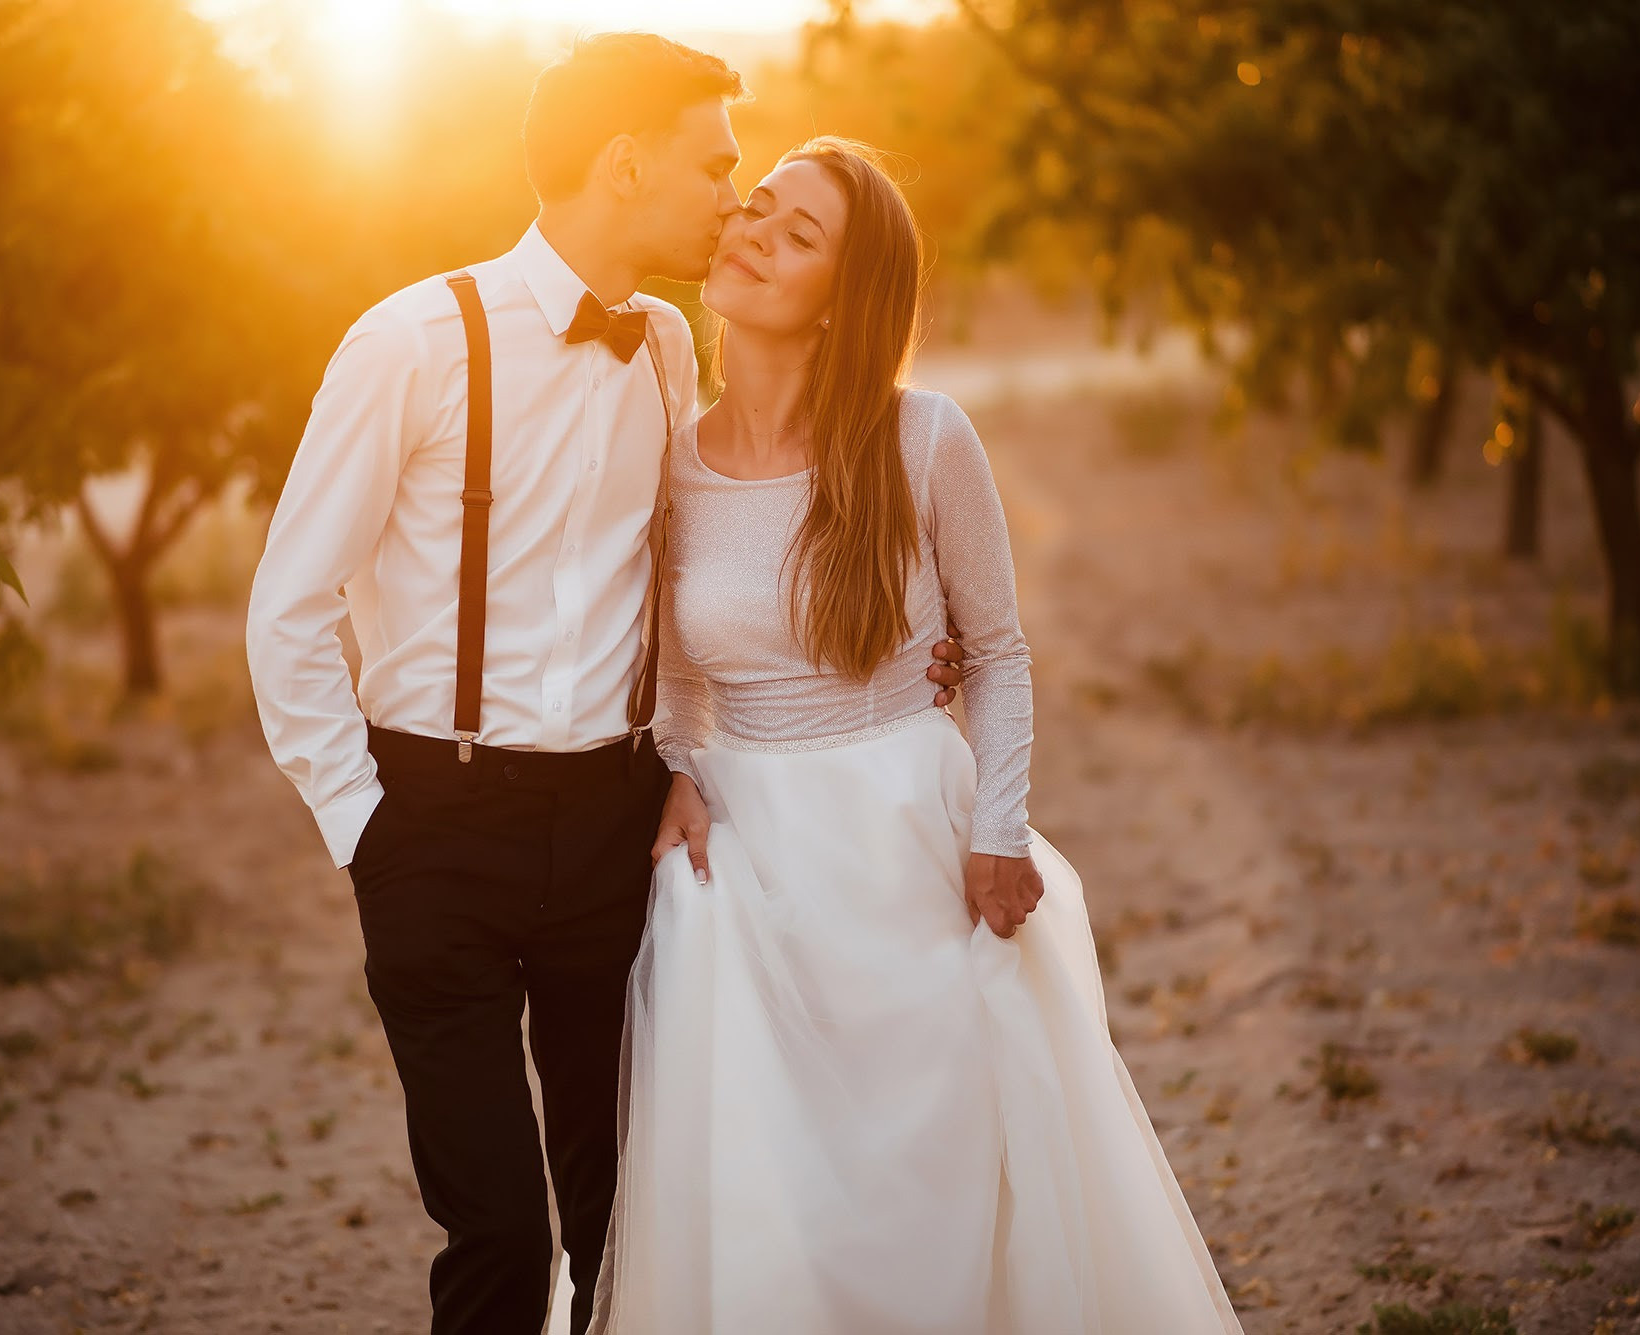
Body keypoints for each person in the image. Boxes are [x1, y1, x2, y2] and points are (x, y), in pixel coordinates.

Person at [244, 40, 965, 1335]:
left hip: (614, 830)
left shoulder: (668, 351)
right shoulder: (414, 340)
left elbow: (724, 563)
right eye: (715, 164)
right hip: (435, 829)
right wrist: (365, 825)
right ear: (626, 162)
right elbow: (287, 609)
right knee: (503, 1233)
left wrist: (920, 646)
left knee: (626, 1216)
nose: (733, 200)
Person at [585, 138, 1246, 1334]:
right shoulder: (671, 459)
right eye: (757, 210)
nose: (751, 237)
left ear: (845, 301)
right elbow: (677, 680)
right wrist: (676, 772)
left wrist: (997, 831)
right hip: (741, 861)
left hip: (905, 839)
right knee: (768, 1191)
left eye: (798, 237)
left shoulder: (923, 439)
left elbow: (994, 653)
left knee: (928, 1177)